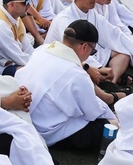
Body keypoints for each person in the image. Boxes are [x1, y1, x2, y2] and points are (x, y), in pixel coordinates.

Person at [16, 20, 116, 149]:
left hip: (25, 115)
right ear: (84, 47)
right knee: (112, 125)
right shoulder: (77, 74)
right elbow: (93, 113)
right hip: (47, 129)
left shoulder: (42, 49)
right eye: (92, 51)